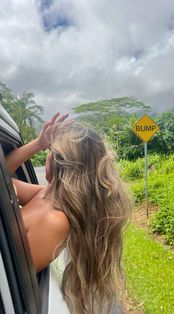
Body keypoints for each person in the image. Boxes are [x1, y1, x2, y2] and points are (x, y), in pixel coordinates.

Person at [5, 113, 132, 314]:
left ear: (59, 162)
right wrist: (38, 143)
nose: (46, 154)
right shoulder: (42, 196)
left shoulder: (55, 221)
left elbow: (8, 283)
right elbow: (2, 178)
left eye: (50, 150)